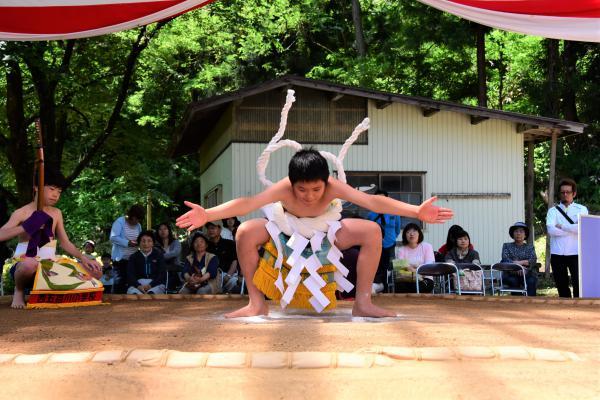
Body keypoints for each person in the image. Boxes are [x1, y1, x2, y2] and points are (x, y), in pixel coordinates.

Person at [177, 149, 453, 318]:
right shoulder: (283, 188)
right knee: (246, 231)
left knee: (371, 230)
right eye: (302, 190)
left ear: (325, 183)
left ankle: (363, 302)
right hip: (286, 230)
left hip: (326, 229)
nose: (309, 196)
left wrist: (416, 211)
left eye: (316, 190)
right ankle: (256, 303)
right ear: (292, 184)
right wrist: (208, 214)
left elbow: (372, 202)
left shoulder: (333, 186)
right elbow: (248, 204)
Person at [0, 169, 101, 308]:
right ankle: (19, 291)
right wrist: (26, 227)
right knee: (30, 264)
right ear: (36, 187)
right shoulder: (21, 212)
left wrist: (83, 257)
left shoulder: (56, 213)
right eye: (52, 189)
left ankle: (53, 291)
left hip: (50, 264)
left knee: (95, 270)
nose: (55, 194)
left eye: (59, 191)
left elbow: (64, 242)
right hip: (25, 265)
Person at [546, 178, 588, 298]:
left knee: (578, 285)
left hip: (576, 253)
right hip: (557, 254)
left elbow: (582, 229)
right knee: (561, 285)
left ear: (574, 193)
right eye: (562, 192)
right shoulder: (552, 211)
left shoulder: (581, 209)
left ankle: (580, 311)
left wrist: (562, 226)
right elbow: (551, 230)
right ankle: (565, 312)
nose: (565, 194)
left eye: (568, 192)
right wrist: (572, 228)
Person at [367, 189, 401, 294]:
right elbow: (368, 229)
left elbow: (397, 229)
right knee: (377, 267)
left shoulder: (394, 212)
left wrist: (391, 238)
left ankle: (389, 290)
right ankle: (377, 287)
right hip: (376, 245)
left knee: (389, 268)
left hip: (390, 245)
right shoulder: (371, 214)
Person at [110, 204, 144, 293]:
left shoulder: (138, 226)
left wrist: (139, 243)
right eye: (135, 219)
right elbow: (113, 238)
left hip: (132, 260)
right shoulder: (120, 222)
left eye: (138, 219)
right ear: (131, 216)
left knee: (131, 283)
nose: (137, 221)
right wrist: (128, 243)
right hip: (120, 260)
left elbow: (140, 238)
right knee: (119, 283)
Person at [395, 223, 435, 293]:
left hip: (424, 279)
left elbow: (429, 267)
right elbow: (399, 268)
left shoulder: (427, 247)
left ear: (419, 234)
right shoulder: (401, 250)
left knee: (418, 286)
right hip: (406, 279)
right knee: (399, 285)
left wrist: (409, 267)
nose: (411, 234)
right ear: (404, 235)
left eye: (414, 231)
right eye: (408, 232)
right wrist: (417, 270)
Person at [501, 222, 538, 296]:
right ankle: (517, 304)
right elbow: (505, 259)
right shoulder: (506, 246)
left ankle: (531, 304)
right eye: (516, 231)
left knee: (531, 281)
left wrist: (520, 264)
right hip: (510, 274)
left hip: (527, 273)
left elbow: (533, 260)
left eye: (521, 231)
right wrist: (518, 267)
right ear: (513, 234)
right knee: (513, 281)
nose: (518, 233)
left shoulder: (530, 247)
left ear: (525, 235)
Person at [126, 230, 166, 295]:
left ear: (153, 243)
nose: (146, 244)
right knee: (134, 294)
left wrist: (150, 285)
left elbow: (162, 275)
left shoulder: (159, 255)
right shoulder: (133, 257)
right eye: (143, 241)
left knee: (152, 294)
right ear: (139, 243)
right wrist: (138, 286)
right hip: (138, 285)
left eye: (149, 241)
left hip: (155, 284)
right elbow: (130, 275)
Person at [205, 221, 239, 293]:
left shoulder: (230, 243)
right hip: (211, 277)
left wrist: (228, 276)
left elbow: (234, 261)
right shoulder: (205, 246)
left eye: (213, 228)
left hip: (228, 275)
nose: (210, 230)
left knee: (235, 284)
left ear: (220, 230)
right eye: (208, 229)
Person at [155, 222, 182, 291]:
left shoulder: (176, 242)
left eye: (165, 229)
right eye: (160, 229)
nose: (163, 231)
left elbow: (175, 253)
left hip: (175, 271)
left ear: (169, 231)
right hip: (161, 272)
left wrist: (160, 257)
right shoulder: (155, 245)